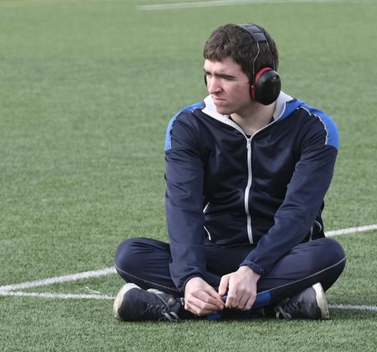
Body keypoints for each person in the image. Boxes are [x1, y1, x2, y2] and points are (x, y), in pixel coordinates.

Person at [112, 23, 347, 322]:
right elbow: (183, 207)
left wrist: (253, 269)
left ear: (263, 81)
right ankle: (276, 302)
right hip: (215, 254)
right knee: (131, 255)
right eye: (208, 74)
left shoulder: (314, 128)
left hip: (283, 256)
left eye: (226, 77)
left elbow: (298, 213)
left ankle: (177, 304)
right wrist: (190, 277)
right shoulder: (188, 125)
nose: (213, 87)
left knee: (328, 254)